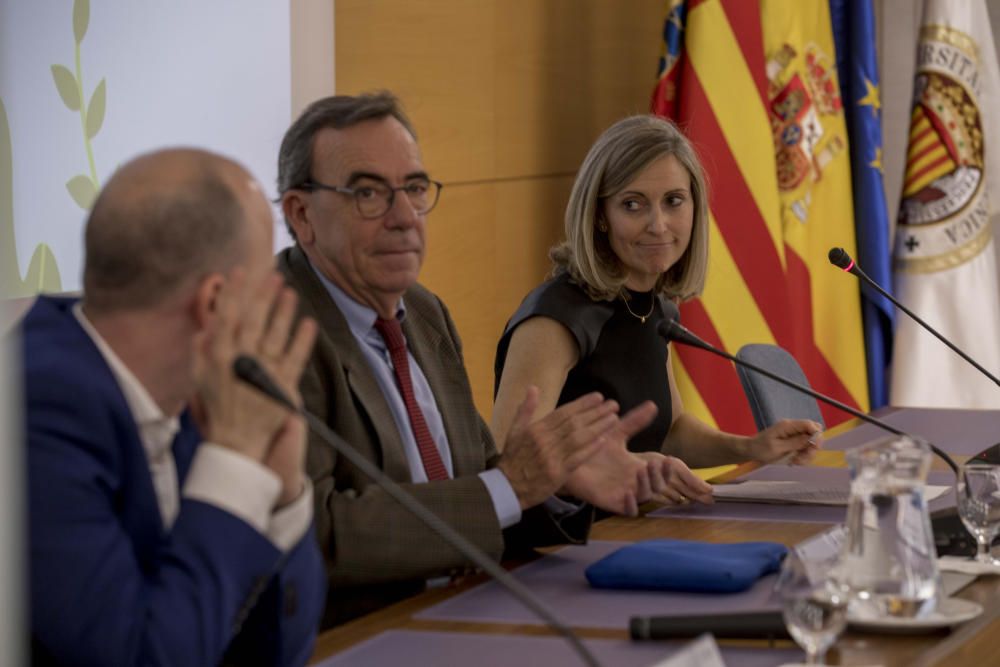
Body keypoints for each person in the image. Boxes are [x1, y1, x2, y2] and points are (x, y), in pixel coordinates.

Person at [276, 92, 674, 627]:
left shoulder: (422, 312)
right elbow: (317, 536)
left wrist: (556, 482)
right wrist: (514, 486)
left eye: (414, 189)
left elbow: (481, 480)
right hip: (362, 636)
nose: (403, 217)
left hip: (472, 611)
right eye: (368, 193)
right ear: (301, 214)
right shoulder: (273, 335)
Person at [23, 148, 325, 666]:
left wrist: (282, 491)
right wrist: (232, 461)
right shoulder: (36, 410)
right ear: (215, 302)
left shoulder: (191, 389)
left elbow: (273, 652)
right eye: (266, 282)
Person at [494, 114, 822, 504]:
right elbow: (508, 460)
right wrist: (612, 469)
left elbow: (670, 432)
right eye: (633, 204)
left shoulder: (654, 308)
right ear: (600, 215)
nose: (659, 225)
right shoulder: (555, 318)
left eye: (673, 202)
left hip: (637, 525)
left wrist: (751, 448)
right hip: (559, 544)